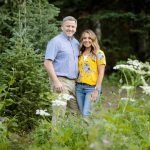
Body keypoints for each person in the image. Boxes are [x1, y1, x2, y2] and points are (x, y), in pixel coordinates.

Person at [44, 16, 79, 114]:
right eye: (68, 26)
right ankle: (56, 130)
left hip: (74, 82)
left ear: (75, 29)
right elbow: (47, 63)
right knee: (59, 113)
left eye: (73, 27)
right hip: (60, 81)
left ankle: (71, 130)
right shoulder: (55, 41)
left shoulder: (76, 43)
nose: (70, 29)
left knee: (76, 113)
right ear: (62, 27)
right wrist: (56, 81)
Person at [75, 29, 106, 116]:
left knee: (86, 114)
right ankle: (85, 130)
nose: (87, 40)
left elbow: (101, 73)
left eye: (89, 38)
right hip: (79, 88)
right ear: (82, 40)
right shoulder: (80, 53)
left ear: (93, 40)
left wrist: (97, 90)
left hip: (91, 89)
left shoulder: (99, 53)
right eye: (84, 38)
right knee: (82, 114)